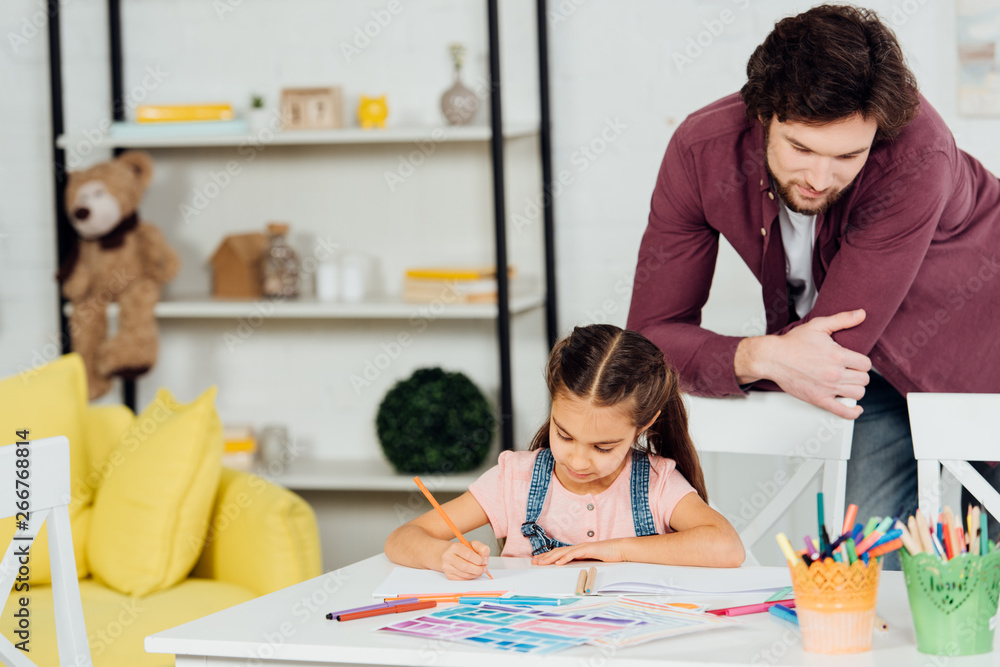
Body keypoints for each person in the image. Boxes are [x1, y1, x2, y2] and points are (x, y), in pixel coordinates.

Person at [626, 4, 1000, 568]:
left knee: (983, 583)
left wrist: (769, 360)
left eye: (848, 155)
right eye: (801, 148)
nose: (820, 179)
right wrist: (759, 354)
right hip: (864, 379)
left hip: (984, 354)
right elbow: (648, 344)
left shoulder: (918, 150)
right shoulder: (701, 151)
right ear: (762, 114)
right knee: (857, 573)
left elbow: (829, 352)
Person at [385, 324, 745, 579]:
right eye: (565, 435)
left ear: (645, 424)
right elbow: (401, 540)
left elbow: (726, 547)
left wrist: (617, 549)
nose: (577, 460)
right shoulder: (515, 480)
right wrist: (443, 555)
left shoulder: (656, 483)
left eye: (603, 447)